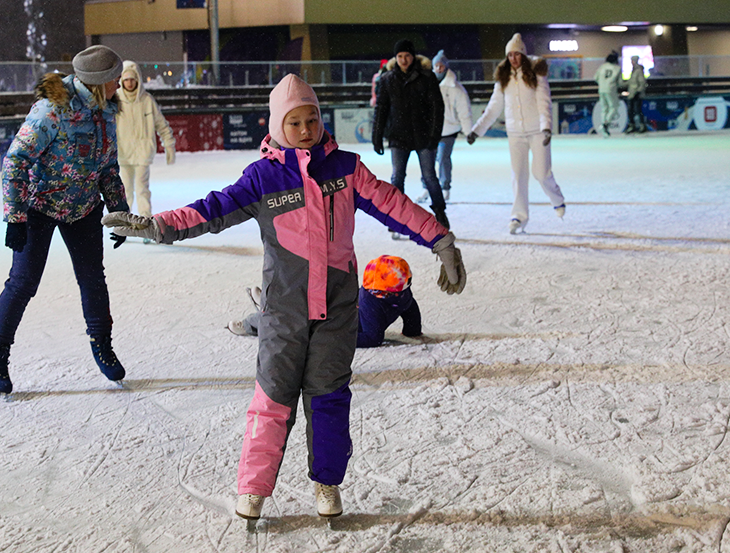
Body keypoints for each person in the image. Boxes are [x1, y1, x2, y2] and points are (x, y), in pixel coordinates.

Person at [102, 74, 466, 521]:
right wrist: (156, 225)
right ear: (278, 126)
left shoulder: (346, 169)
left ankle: (327, 484)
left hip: (336, 312)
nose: (306, 128)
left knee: (329, 398)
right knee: (272, 400)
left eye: (312, 118)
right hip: (283, 311)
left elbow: (394, 203)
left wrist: (440, 241)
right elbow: (212, 209)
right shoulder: (263, 178)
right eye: (295, 122)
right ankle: (254, 489)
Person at [0, 45, 131, 395]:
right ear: (98, 82)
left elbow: (107, 167)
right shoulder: (51, 111)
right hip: (40, 206)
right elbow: (15, 161)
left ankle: (102, 345)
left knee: (93, 279)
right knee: (23, 282)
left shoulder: (106, 111)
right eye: (114, 79)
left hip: (84, 206)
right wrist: (15, 218)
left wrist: (118, 211)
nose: (119, 85)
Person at [466, 33, 565, 235]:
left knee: (541, 173)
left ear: (523, 55)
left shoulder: (536, 75)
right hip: (515, 134)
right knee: (518, 176)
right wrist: (476, 131)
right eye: (510, 55)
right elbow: (493, 108)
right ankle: (518, 216)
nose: (513, 58)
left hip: (537, 131)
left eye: (517, 54)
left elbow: (543, 102)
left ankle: (557, 199)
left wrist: (546, 127)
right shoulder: (503, 78)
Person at [229, 255, 422, 348]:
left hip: (338, 314)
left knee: (297, 312)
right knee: (293, 322)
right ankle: (255, 319)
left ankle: (270, 303)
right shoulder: (371, 301)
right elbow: (373, 337)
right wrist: (332, 339)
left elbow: (410, 308)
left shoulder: (401, 295)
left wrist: (413, 330)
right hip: (330, 317)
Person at [372, 39, 449, 233]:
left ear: (413, 56)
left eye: (407, 56)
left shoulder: (427, 77)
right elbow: (381, 109)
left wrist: (434, 135)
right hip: (399, 136)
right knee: (397, 177)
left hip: (423, 136)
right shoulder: (388, 79)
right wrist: (377, 135)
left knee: (430, 176)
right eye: (399, 56)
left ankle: (440, 212)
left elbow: (436, 109)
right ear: (395, 58)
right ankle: (397, 215)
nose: (403, 60)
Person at [115, 60, 176, 218]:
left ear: (137, 80)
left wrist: (169, 145)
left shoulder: (147, 100)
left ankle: (145, 222)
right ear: (122, 81)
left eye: (132, 79)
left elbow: (161, 125)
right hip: (123, 154)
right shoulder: (115, 101)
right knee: (125, 192)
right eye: (126, 79)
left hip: (143, 153)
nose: (129, 83)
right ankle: (123, 223)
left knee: (142, 190)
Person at [416, 50, 473, 203]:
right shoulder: (426, 85)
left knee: (442, 158)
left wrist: (468, 132)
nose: (438, 69)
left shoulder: (456, 89)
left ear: (446, 67)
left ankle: (445, 187)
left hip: (448, 130)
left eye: (441, 66)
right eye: (436, 66)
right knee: (427, 159)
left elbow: (464, 111)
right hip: (430, 130)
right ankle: (426, 188)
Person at [594, 51, 622, 137]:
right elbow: (620, 82)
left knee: (604, 108)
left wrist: (602, 83)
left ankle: (604, 125)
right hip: (611, 89)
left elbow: (595, 78)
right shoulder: (617, 68)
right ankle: (605, 124)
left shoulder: (602, 67)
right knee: (613, 107)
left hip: (601, 89)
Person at [625, 55, 648, 134]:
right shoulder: (634, 70)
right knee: (631, 110)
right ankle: (633, 125)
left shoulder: (638, 70)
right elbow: (631, 82)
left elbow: (642, 82)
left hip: (636, 94)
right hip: (632, 94)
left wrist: (638, 91)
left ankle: (641, 125)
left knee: (637, 110)